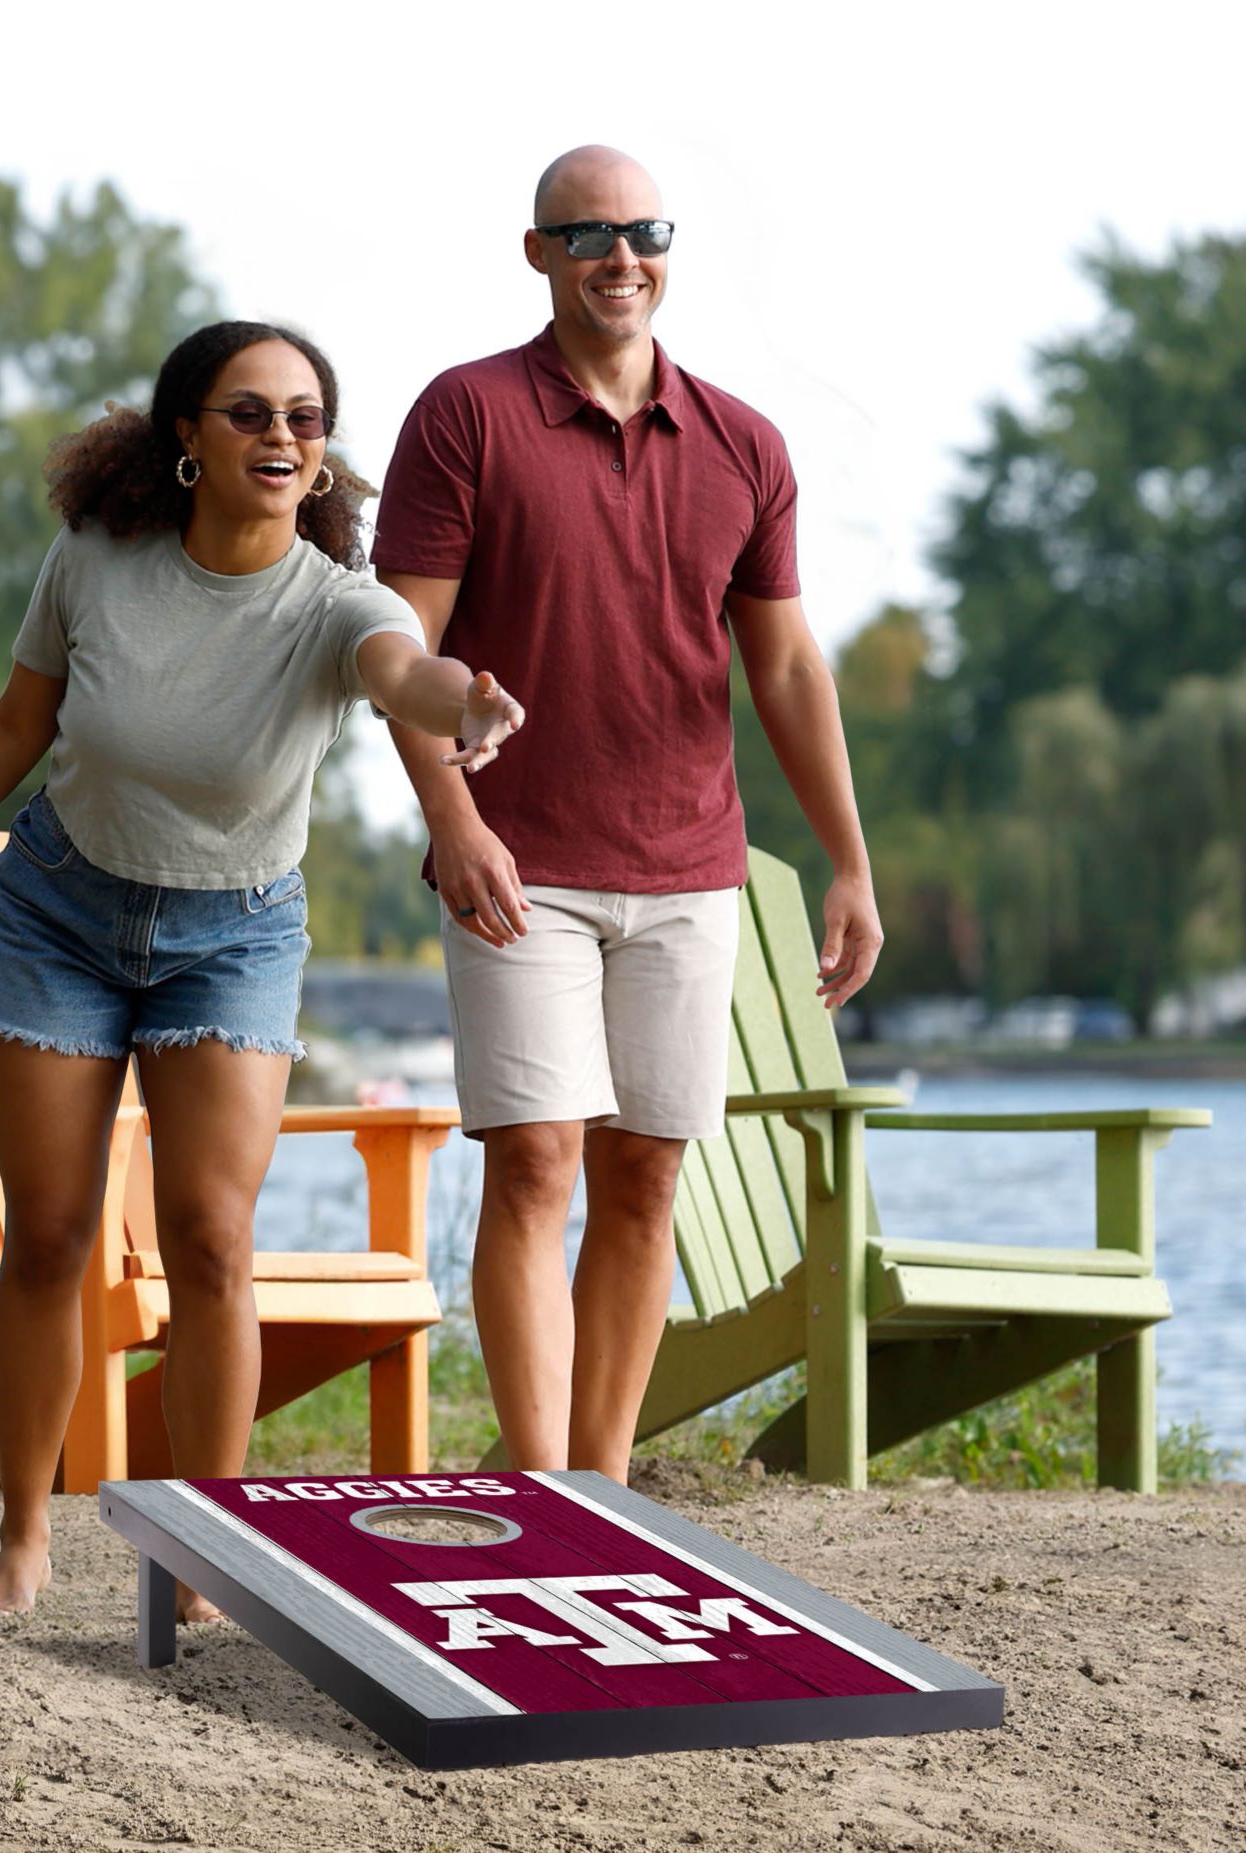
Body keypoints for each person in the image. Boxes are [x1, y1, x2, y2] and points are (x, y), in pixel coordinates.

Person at [0, 320, 524, 1619]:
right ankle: (25, 1540)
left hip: (235, 936)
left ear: (321, 459)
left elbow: (403, 675)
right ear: (188, 440)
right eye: (250, 413)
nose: (280, 438)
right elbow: (15, 726)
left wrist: (464, 707)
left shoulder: (337, 603)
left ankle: (207, 1555)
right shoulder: (97, 561)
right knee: (49, 1233)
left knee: (211, 1238)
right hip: (60, 917)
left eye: (305, 420)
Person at [371, 146, 881, 1481]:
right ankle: (540, 1483)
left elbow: (786, 666)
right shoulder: (464, 416)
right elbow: (393, 652)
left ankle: (598, 1481)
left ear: (668, 247)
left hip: (688, 867)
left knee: (646, 1175)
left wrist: (847, 862)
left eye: (642, 230)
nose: (619, 256)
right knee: (537, 1162)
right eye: (586, 233)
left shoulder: (743, 443)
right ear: (536, 252)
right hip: (517, 866)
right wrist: (452, 821)